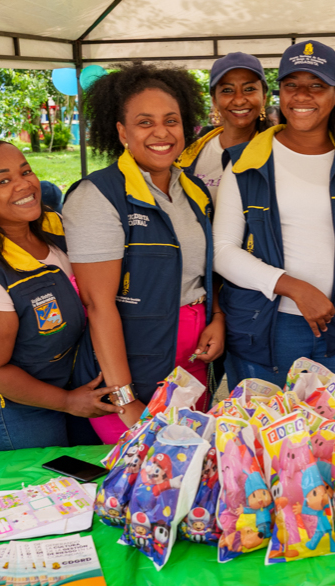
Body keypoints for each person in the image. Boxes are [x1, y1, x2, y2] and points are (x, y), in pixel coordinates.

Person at [214, 40, 335, 390]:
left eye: (316, 85)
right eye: (292, 85)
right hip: (269, 331)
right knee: (268, 441)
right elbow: (222, 251)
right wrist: (293, 287)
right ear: (280, 93)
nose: (302, 95)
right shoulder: (246, 161)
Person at [64, 63, 222, 442]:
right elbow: (99, 306)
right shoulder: (97, 196)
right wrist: (124, 400)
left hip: (190, 365)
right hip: (128, 371)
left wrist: (217, 318)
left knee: (185, 473)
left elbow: (203, 273)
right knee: (141, 481)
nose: (162, 133)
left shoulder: (194, 190)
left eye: (171, 120)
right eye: (144, 122)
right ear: (122, 131)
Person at [0, 139, 117, 452]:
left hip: (61, 394)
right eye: (3, 180)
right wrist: (67, 401)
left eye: (26, 171)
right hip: (6, 411)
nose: (24, 184)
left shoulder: (55, 233)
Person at [176, 52, 270, 204]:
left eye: (249, 89)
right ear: (214, 100)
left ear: (264, 97)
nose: (239, 100)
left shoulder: (276, 151)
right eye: (227, 90)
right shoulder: (190, 153)